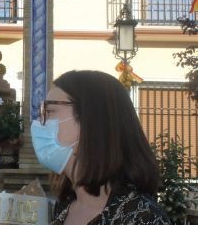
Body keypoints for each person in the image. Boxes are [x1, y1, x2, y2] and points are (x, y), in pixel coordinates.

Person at [30, 70, 171, 224]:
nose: (39, 122)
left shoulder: (143, 216)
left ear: (91, 120)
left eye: (49, 111)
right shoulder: (65, 205)